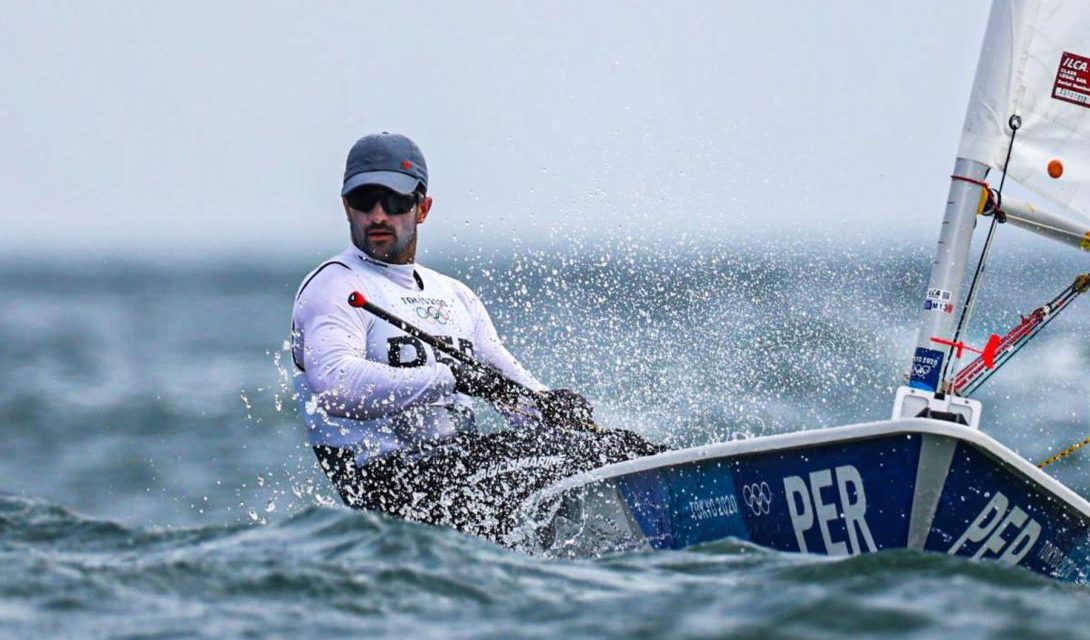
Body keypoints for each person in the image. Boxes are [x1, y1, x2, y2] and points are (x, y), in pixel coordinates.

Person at [290, 132, 662, 544]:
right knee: (582, 455)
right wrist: (449, 377)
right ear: (346, 206)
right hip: (394, 493)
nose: (378, 215)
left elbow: (509, 384)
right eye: (364, 201)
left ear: (423, 207)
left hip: (461, 471)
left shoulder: (455, 296)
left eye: (394, 202)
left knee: (606, 444)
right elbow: (335, 388)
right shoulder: (335, 289)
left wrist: (548, 404)